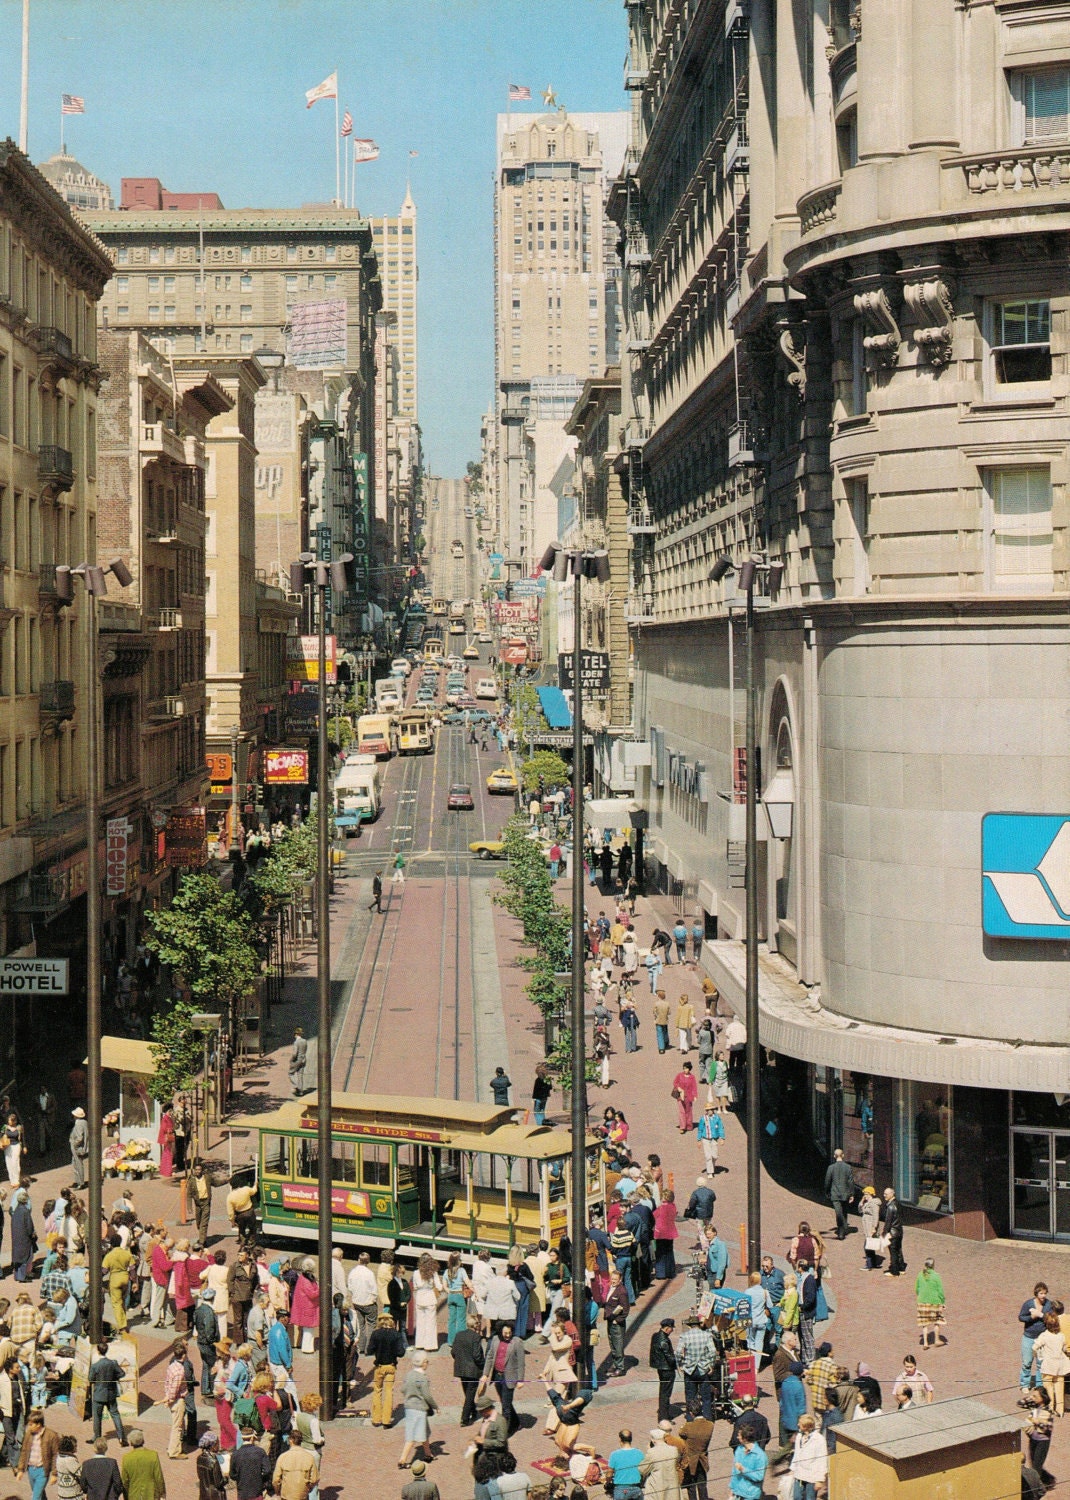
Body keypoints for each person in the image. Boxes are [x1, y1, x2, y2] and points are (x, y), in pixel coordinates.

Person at [483, 1323, 525, 1435]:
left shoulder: (517, 1342)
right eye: (505, 1333)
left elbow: (521, 1363)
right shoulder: (495, 1340)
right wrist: (485, 1374)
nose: (507, 1335)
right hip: (497, 1375)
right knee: (505, 1401)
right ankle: (516, 1422)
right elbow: (490, 1356)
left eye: (509, 1333)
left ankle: (504, 1432)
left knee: (505, 1406)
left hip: (510, 1377)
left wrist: (520, 1380)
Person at [398, 1349, 437, 1470]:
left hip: (409, 1407)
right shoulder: (423, 1378)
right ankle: (403, 1459)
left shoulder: (408, 1375)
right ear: (424, 1362)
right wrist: (435, 1406)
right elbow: (427, 1395)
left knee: (424, 1431)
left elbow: (403, 1389)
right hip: (419, 1408)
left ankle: (428, 1454)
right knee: (413, 1435)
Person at [675, 1315, 718, 1422]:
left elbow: (678, 1353)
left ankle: (691, 1418)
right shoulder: (706, 1335)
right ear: (699, 1325)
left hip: (690, 1369)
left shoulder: (684, 1336)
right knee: (706, 1396)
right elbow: (713, 1352)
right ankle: (707, 1418)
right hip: (703, 1368)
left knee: (690, 1395)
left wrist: (681, 1365)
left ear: (690, 1326)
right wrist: (710, 1365)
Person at [367, 1313, 403, 1428]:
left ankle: (376, 1419)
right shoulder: (395, 1334)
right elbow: (401, 1352)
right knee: (389, 1392)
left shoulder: (376, 1334)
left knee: (377, 1391)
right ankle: (386, 1420)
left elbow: (370, 1350)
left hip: (379, 1367)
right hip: (391, 1366)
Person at [89, 1340, 127, 1445]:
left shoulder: (95, 1366)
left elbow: (90, 1379)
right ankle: (122, 1437)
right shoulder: (113, 1363)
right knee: (115, 1414)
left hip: (99, 1394)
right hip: (111, 1393)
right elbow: (122, 1373)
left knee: (97, 1417)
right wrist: (113, 1377)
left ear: (98, 1351)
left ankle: (96, 1437)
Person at [1019, 1282, 1053, 1398]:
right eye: (1041, 1293)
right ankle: (1024, 1384)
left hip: (1042, 1338)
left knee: (1041, 1364)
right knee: (1027, 1362)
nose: (1043, 1296)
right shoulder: (1028, 1304)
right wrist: (1031, 1317)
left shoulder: (1049, 1305)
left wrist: (1040, 1315)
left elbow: (1051, 1319)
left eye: (1045, 1293)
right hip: (1028, 1337)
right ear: (1036, 1294)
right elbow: (1021, 1317)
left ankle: (1039, 1386)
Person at [17, 1410, 59, 1500]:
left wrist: (54, 1474)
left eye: (31, 1424)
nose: (29, 1426)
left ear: (38, 1424)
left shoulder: (51, 1435)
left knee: (35, 1497)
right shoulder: (28, 1434)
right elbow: (24, 1451)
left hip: (42, 1471)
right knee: (39, 1493)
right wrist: (20, 1469)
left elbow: (56, 1455)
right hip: (31, 1469)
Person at [452, 1312, 484, 1426]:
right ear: (475, 1325)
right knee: (470, 1393)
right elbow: (477, 1355)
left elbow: (453, 1351)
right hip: (472, 1369)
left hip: (461, 1368)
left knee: (467, 1392)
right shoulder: (476, 1337)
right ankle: (464, 1418)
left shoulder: (459, 1335)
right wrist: (482, 1364)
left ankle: (473, 1410)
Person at [789, 1414, 828, 1500]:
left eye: (800, 1423)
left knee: (810, 1498)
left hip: (812, 1476)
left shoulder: (819, 1439)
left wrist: (819, 1480)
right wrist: (792, 1469)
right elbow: (797, 1454)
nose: (798, 1425)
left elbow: (822, 1460)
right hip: (799, 1474)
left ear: (806, 1427)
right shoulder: (799, 1436)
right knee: (797, 1497)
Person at [678, 1409, 714, 1500]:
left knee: (691, 1487)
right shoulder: (710, 1425)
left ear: (691, 1413)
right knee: (702, 1485)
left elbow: (681, 1433)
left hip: (691, 1460)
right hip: (702, 1459)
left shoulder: (688, 1426)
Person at [272, 1430, 318, 1500]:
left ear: (290, 1440)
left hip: (286, 1495)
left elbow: (276, 1479)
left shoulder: (283, 1457)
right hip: (302, 1495)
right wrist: (308, 1487)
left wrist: (277, 1491)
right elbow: (315, 1479)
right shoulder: (309, 1457)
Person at [638, 1426, 681, 1500]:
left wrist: (649, 1451)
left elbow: (642, 1469)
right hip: (672, 1484)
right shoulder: (674, 1450)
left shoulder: (652, 1452)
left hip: (657, 1484)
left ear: (653, 1440)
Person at [119, 1432, 165, 1500]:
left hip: (133, 1495)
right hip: (151, 1494)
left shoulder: (126, 1458)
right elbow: (158, 1477)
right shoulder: (153, 1455)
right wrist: (162, 1492)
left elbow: (125, 1481)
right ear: (143, 1441)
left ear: (131, 1443)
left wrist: (126, 1496)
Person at [411, 1254, 443, 1351]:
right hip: (430, 1299)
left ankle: (420, 1343)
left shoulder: (416, 1272)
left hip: (420, 1298)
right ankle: (429, 1345)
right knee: (430, 1323)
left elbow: (415, 1287)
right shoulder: (433, 1273)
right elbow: (439, 1286)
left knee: (420, 1322)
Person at [163, 1342, 189, 1460]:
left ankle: (174, 1447)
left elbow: (168, 1383)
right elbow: (175, 1387)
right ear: (183, 1355)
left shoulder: (172, 1366)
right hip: (178, 1399)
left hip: (172, 1398)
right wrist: (170, 1399)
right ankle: (174, 1451)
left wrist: (167, 1396)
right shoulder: (180, 1370)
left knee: (177, 1424)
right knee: (177, 1426)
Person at [824, 1149, 856, 1241]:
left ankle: (841, 1230)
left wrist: (827, 1192)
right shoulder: (848, 1167)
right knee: (844, 1210)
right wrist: (852, 1194)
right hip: (845, 1193)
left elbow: (827, 1181)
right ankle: (844, 1226)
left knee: (838, 1212)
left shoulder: (831, 1168)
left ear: (834, 1156)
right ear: (843, 1155)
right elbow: (850, 1182)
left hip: (835, 1193)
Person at [649, 1319, 677, 1424]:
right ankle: (664, 1418)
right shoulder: (664, 1340)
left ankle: (664, 1414)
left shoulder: (655, 1336)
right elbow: (670, 1357)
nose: (672, 1330)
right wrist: (678, 1358)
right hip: (667, 1370)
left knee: (663, 1392)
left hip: (660, 1368)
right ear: (667, 1328)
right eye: (671, 1328)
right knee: (666, 1394)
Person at [914, 1257, 946, 1347]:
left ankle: (925, 1343)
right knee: (937, 1321)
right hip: (934, 1302)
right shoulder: (936, 1276)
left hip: (922, 1301)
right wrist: (942, 1302)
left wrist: (920, 1296)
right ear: (933, 1265)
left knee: (924, 1323)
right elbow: (940, 1291)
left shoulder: (920, 1275)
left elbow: (916, 1288)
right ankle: (936, 1340)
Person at [728, 1426, 767, 1500]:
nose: (737, 1437)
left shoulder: (760, 1455)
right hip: (737, 1493)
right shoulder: (739, 1450)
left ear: (745, 1439)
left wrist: (743, 1470)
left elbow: (759, 1476)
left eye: (739, 1435)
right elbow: (734, 1472)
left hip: (750, 1495)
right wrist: (732, 1489)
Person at [607, 1429, 644, 1500]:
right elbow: (644, 1470)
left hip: (620, 1489)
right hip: (636, 1488)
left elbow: (609, 1474)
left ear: (620, 1440)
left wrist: (608, 1482)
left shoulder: (614, 1454)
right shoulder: (639, 1453)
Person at [880, 1187, 905, 1277]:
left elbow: (888, 1222)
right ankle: (901, 1268)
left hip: (892, 1232)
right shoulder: (898, 1203)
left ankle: (894, 1271)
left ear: (891, 1194)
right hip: (899, 1231)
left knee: (893, 1251)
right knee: (899, 1250)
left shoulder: (890, 1206)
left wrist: (884, 1233)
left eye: (886, 1194)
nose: (884, 1196)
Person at [653, 1191, 678, 1280]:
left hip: (661, 1232)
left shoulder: (661, 1208)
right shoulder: (673, 1206)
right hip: (670, 1232)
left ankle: (661, 1273)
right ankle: (670, 1272)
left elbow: (653, 1216)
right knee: (669, 1252)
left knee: (660, 1253)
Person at [189, 1163, 213, 1252]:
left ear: (202, 1170)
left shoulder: (207, 1178)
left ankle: (201, 1243)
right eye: (196, 1169)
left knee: (204, 1223)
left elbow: (216, 1183)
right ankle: (203, 1238)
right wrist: (189, 1207)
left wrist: (227, 1180)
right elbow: (189, 1194)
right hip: (198, 1204)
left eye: (199, 1169)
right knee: (198, 1223)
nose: (198, 1171)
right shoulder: (191, 1180)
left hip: (206, 1202)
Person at [695, 1105, 724, 1177]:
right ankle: (710, 1172)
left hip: (714, 1139)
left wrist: (722, 1138)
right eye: (708, 1110)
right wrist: (699, 1140)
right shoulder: (703, 1119)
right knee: (708, 1156)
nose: (709, 1111)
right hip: (706, 1139)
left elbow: (721, 1127)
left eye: (711, 1110)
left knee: (715, 1156)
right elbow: (700, 1129)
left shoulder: (717, 1118)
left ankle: (712, 1166)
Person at [195, 1433, 225, 1500]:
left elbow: (200, 1476)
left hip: (203, 1494)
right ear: (212, 1446)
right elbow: (218, 1482)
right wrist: (225, 1478)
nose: (219, 1446)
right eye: (217, 1443)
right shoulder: (214, 1461)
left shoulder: (199, 1458)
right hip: (214, 1496)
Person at [860, 1185, 883, 1270]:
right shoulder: (866, 1203)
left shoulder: (874, 1204)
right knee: (870, 1246)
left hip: (870, 1227)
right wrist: (862, 1201)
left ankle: (869, 1265)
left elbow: (876, 1216)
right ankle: (873, 1263)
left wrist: (874, 1227)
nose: (864, 1196)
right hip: (866, 1227)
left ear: (870, 1194)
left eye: (866, 1194)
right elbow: (860, 1210)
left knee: (867, 1246)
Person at [672, 1061, 698, 1134]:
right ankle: (682, 1127)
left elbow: (694, 1087)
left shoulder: (692, 1077)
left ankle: (689, 1125)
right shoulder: (679, 1075)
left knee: (688, 1111)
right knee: (682, 1111)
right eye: (684, 1068)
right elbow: (675, 1082)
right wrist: (678, 1088)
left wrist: (695, 1096)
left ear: (689, 1069)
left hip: (689, 1097)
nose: (685, 1070)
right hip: (680, 1096)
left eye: (686, 1068)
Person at [69, 1109, 90, 1191]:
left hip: (77, 1147)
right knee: (75, 1162)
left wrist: (75, 1145)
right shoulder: (84, 1122)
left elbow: (79, 1137)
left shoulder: (79, 1124)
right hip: (80, 1146)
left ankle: (80, 1183)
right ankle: (77, 1181)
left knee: (78, 1164)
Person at [288, 1031, 308, 1097]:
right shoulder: (305, 1041)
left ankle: (296, 1086)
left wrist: (291, 1060)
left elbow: (295, 1054)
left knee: (290, 1073)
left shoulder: (296, 1042)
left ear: (296, 1034)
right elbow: (305, 1050)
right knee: (300, 1075)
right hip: (303, 1060)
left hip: (297, 1060)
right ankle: (301, 1092)